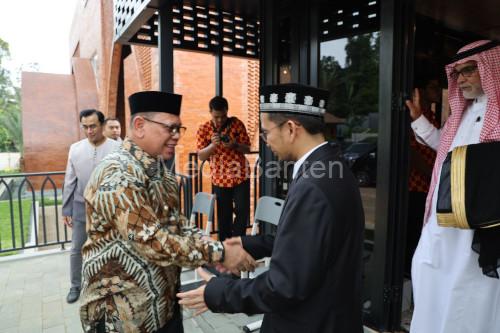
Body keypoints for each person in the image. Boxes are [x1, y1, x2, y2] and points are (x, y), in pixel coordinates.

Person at [179, 83, 365, 333]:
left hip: (312, 321)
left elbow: (284, 286)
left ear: (290, 128)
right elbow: (308, 244)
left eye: (265, 133)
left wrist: (218, 292)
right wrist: (249, 244)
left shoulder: (314, 186)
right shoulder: (333, 167)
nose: (264, 142)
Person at [79, 91, 256, 333]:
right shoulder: (118, 173)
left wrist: (206, 246)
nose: (176, 137)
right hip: (124, 318)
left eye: (178, 130)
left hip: (165, 306)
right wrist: (220, 252)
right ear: (140, 126)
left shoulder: (159, 170)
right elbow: (152, 241)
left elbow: (176, 222)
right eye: (170, 128)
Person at [407, 40, 500, 333]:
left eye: (469, 70)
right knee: (428, 274)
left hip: (479, 231)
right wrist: (418, 119)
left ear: (490, 67)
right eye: (457, 73)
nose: (461, 79)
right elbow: (444, 152)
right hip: (442, 223)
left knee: (468, 295)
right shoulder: (461, 113)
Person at [62, 109, 119, 303]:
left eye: (93, 126)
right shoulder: (75, 148)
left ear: (102, 125)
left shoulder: (117, 147)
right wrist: (66, 209)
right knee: (77, 248)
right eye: (85, 127)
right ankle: (75, 286)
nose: (89, 131)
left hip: (109, 208)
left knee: (109, 247)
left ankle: (109, 286)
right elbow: (69, 180)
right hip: (80, 206)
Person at [196, 96, 251, 241]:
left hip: (241, 176)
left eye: (223, 116)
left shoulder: (237, 124)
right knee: (223, 216)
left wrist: (234, 145)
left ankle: (238, 243)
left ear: (227, 111)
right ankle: (224, 247)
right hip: (220, 179)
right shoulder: (204, 129)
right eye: (216, 117)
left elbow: (247, 149)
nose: (220, 120)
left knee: (242, 211)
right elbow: (201, 156)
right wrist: (212, 146)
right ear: (210, 112)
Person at [405, 75, 441, 277]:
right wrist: (432, 175)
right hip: (417, 186)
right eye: (433, 86)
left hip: (428, 187)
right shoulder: (417, 116)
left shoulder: (430, 115)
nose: (438, 90)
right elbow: (412, 153)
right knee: (413, 239)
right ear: (420, 91)